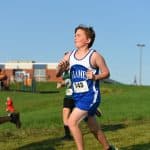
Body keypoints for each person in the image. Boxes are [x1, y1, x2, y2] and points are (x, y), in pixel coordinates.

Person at [56, 25, 117, 150]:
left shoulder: (94, 56)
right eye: (74, 35)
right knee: (94, 128)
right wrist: (61, 68)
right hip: (77, 97)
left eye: (78, 35)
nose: (75, 37)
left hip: (90, 96)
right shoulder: (70, 55)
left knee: (71, 122)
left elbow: (106, 73)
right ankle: (108, 148)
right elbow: (57, 74)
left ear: (88, 40)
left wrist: (95, 77)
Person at [57, 68, 74, 140]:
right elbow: (67, 82)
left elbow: (70, 81)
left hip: (77, 96)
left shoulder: (74, 70)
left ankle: (91, 109)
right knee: (65, 114)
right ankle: (67, 135)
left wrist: (62, 84)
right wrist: (61, 84)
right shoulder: (65, 72)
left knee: (80, 116)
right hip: (68, 96)